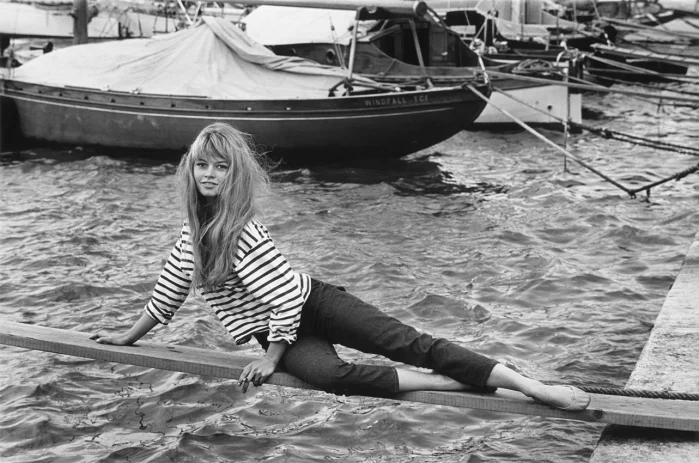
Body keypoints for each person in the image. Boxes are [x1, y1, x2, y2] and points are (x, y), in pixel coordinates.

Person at [91, 122, 590, 411]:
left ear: (234, 174)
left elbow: (285, 298)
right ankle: (448, 381)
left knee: (410, 343)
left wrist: (270, 359)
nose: (210, 174)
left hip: (312, 304)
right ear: (190, 169)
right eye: (202, 165)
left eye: (221, 167)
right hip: (278, 330)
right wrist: (126, 337)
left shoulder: (243, 229)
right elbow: (168, 292)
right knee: (332, 376)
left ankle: (531, 386)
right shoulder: (192, 234)